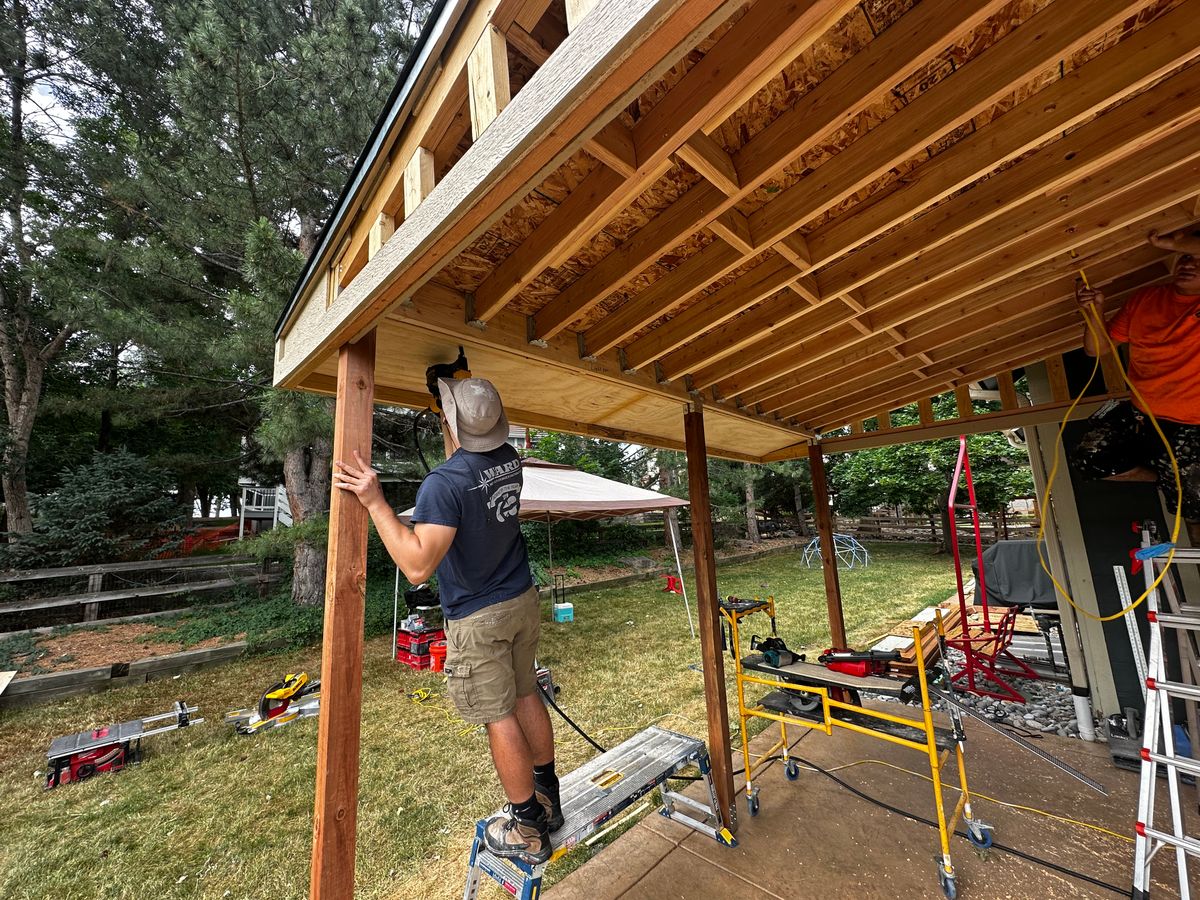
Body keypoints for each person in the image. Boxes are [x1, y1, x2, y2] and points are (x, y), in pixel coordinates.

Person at [333, 377, 561, 864]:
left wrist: (375, 501)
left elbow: (417, 566)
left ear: (451, 424)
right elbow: (468, 456)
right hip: (521, 598)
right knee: (525, 692)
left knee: (498, 714)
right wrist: (452, 412)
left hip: (480, 616)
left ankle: (527, 830)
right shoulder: (508, 461)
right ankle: (549, 800)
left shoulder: (444, 485)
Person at [1071, 227, 1200, 544]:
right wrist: (1093, 311)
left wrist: (1173, 242)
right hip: (1143, 414)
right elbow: (1097, 349)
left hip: (1193, 424)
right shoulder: (1146, 300)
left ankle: (1176, 481)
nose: (1189, 264)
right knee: (1090, 458)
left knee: (1195, 508)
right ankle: (1165, 477)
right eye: (1184, 258)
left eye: (1198, 260)